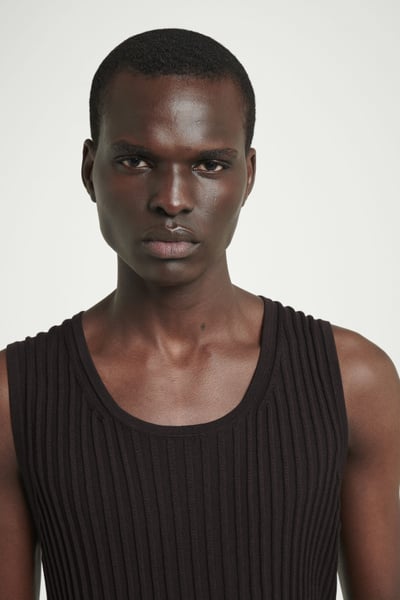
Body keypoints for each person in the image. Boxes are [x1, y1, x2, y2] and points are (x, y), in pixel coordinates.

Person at [0, 28, 399, 600]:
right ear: (89, 170)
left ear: (249, 175)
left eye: (209, 164)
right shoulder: (14, 397)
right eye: (136, 160)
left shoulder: (353, 382)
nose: (172, 199)